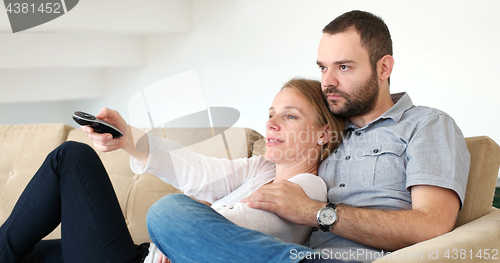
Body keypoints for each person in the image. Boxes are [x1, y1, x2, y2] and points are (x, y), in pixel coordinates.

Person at [146, 10, 471, 263]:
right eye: (322, 68)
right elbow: (232, 179)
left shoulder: (426, 125)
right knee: (173, 211)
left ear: (383, 67)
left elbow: (431, 226)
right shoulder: (323, 131)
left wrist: (316, 212)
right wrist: (204, 214)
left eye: (343, 67)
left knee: (167, 212)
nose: (328, 81)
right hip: (292, 253)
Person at [0, 78, 345, 263]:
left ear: (323, 134)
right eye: (271, 113)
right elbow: (197, 172)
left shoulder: (309, 189)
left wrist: (190, 218)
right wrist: (127, 137)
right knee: (22, 254)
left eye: (290, 116)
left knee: (72, 158)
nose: (271, 123)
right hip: (142, 252)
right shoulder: (262, 168)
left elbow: (227, 230)